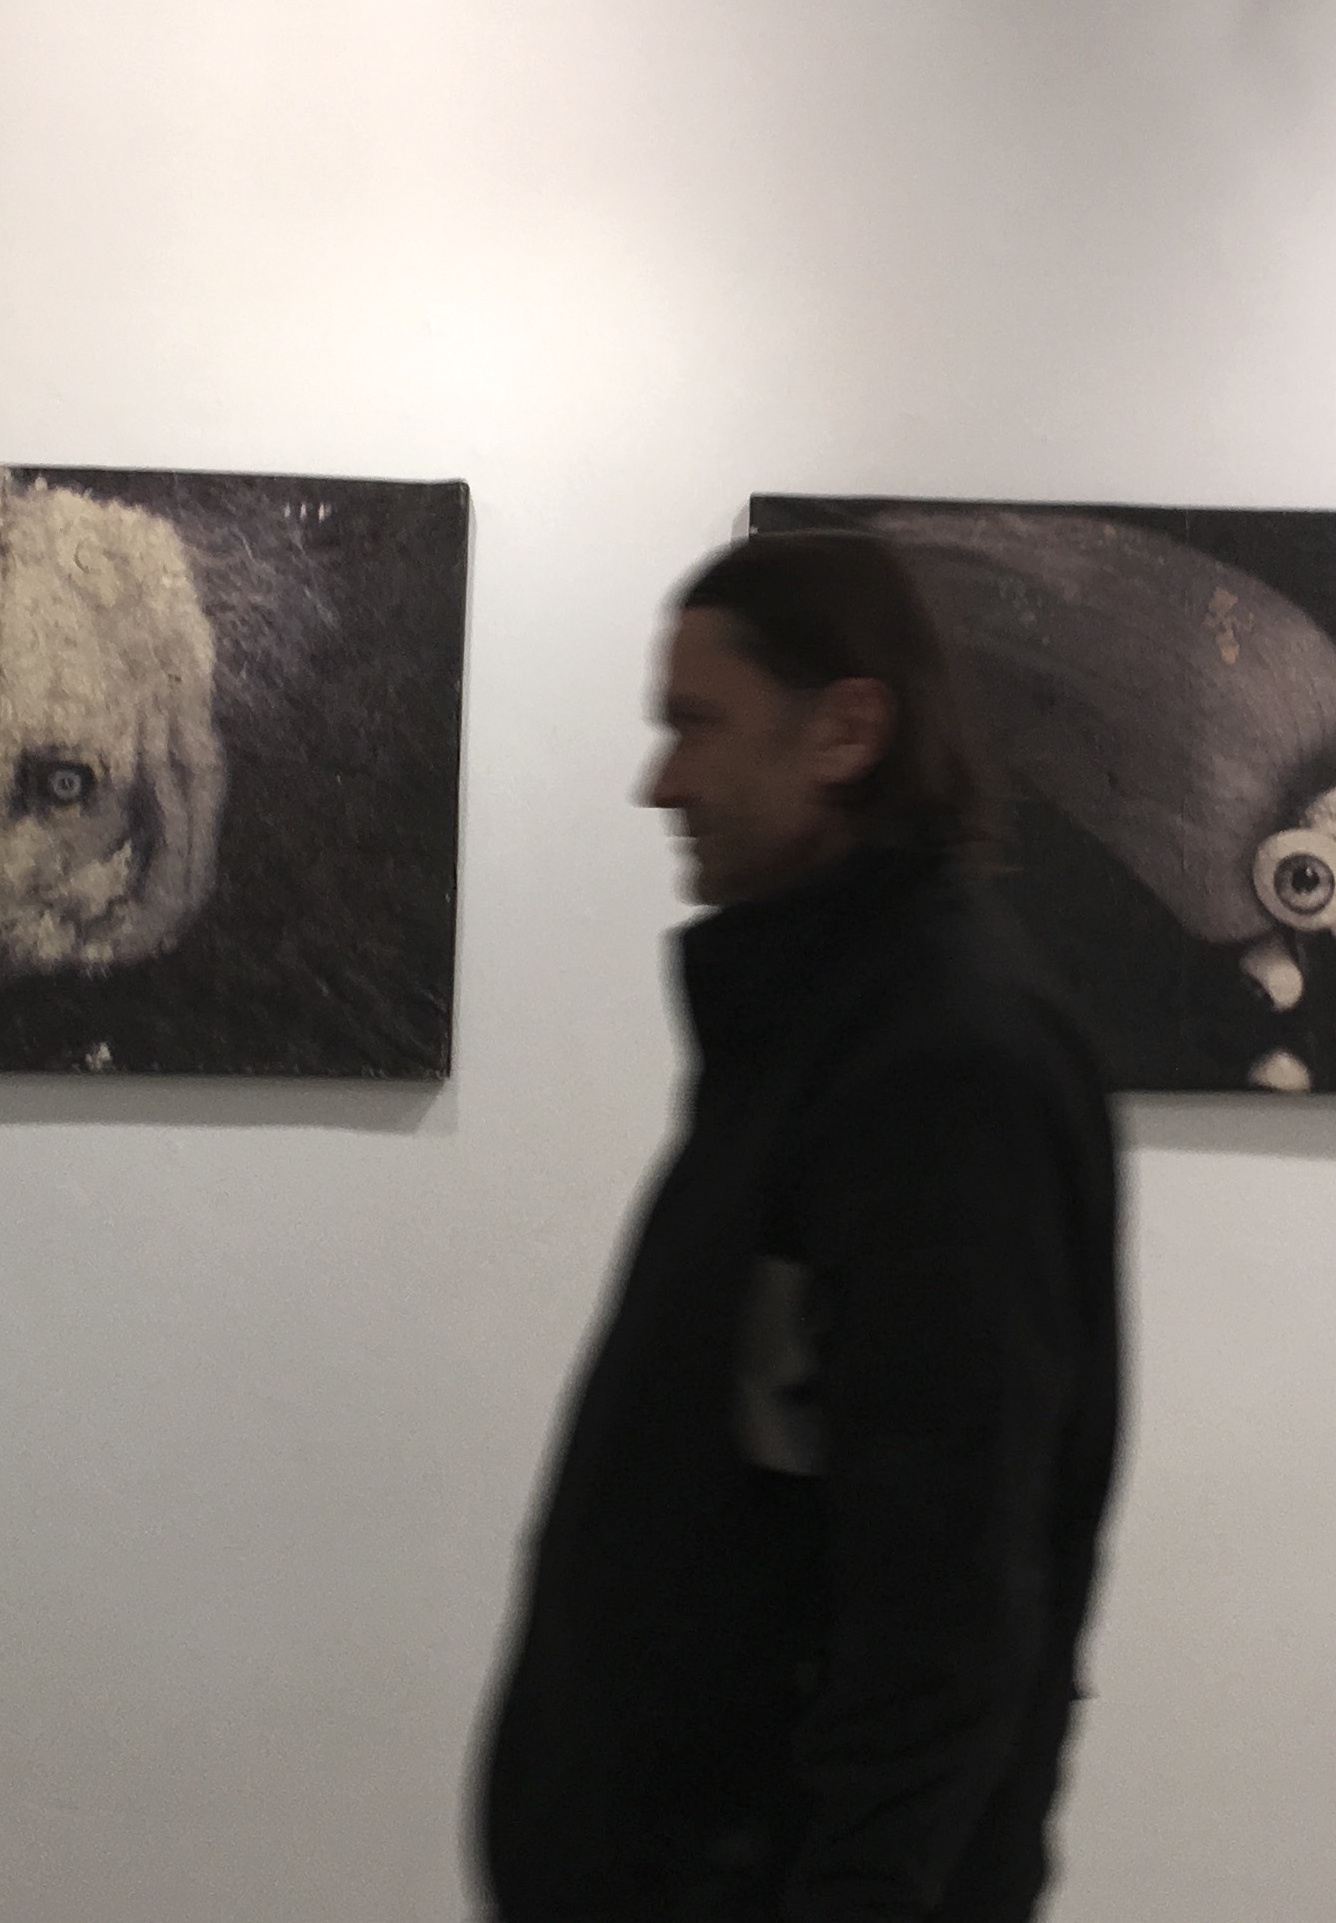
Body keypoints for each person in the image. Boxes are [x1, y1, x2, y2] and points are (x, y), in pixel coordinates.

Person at [480, 529, 1126, 1923]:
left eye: (697, 725)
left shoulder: (943, 1067)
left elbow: (947, 1590)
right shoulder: (823, 1033)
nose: (659, 781)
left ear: (845, 730)